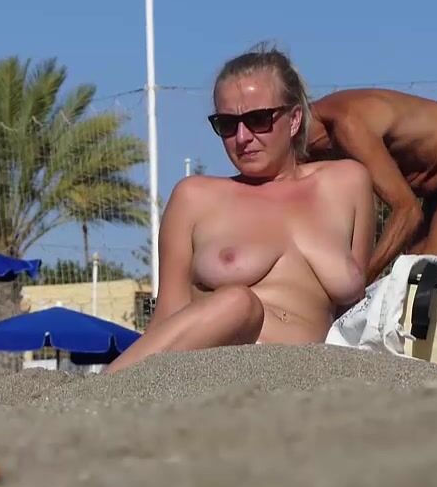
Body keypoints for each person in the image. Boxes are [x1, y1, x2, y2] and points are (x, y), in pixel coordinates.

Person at [105, 45, 375, 373]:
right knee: (238, 303)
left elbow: (353, 316)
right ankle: (104, 388)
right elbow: (168, 319)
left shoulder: (347, 183)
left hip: (309, 375)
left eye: (258, 120)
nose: (242, 137)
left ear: (294, 120)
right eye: (227, 124)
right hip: (218, 370)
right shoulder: (196, 197)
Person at [305, 88, 437, 283]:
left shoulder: (348, 126)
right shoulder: (311, 145)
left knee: (426, 285)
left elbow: (408, 212)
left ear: (295, 120)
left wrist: (360, 282)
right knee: (408, 292)